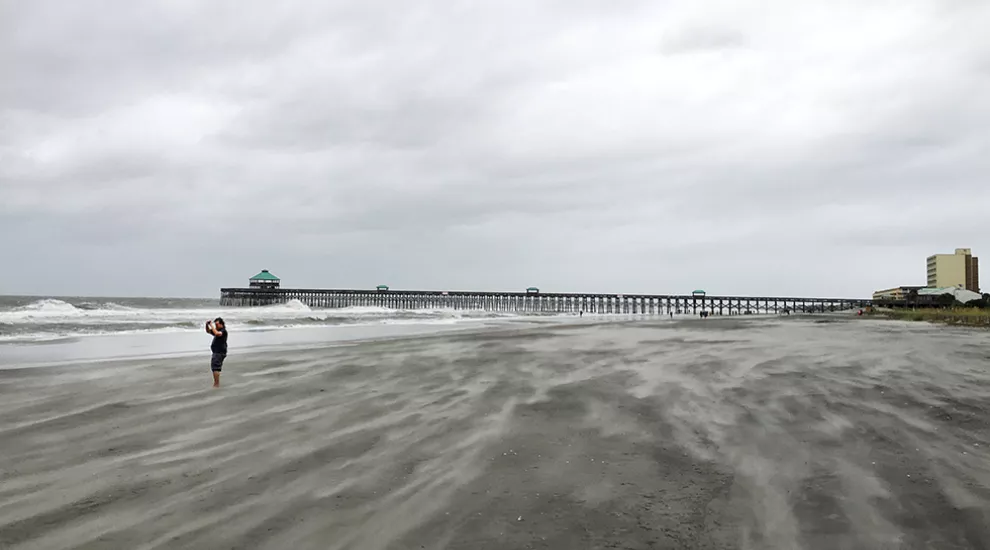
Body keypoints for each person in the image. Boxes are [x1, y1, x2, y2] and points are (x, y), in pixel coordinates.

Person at [205, 317, 228, 387]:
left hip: (219, 352)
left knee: (216, 367)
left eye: (217, 324)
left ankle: (216, 383)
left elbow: (217, 334)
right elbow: (208, 331)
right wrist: (207, 325)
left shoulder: (223, 331)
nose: (216, 326)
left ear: (221, 324)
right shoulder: (217, 330)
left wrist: (211, 325)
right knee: (214, 367)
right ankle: (216, 383)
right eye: (215, 324)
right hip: (216, 352)